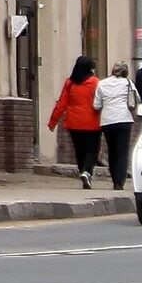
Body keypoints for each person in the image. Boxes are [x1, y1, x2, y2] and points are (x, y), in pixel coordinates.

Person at [48, 56, 103, 187]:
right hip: (92, 122)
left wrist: (53, 122)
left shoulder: (70, 82)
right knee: (92, 150)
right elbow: (101, 102)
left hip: (73, 123)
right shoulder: (96, 82)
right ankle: (87, 171)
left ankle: (82, 171)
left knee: (79, 150)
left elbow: (61, 103)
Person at [92, 62, 138, 188]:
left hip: (107, 121)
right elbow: (136, 99)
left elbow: (96, 105)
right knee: (122, 152)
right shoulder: (128, 83)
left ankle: (114, 179)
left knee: (112, 151)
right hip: (124, 119)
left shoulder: (102, 83)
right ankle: (120, 182)